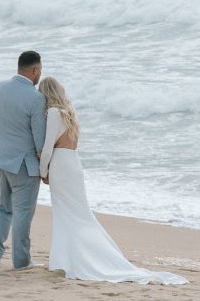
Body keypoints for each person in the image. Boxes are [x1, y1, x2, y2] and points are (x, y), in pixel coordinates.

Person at [37, 76, 186, 285]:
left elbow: (47, 148)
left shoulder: (53, 113)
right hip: (74, 164)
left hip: (61, 165)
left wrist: (43, 171)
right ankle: (74, 257)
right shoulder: (69, 114)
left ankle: (72, 260)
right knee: (80, 214)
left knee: (66, 214)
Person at [0, 50, 47, 269]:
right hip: (23, 166)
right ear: (35, 70)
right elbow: (39, 139)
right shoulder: (36, 98)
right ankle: (21, 261)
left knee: (2, 206)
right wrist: (44, 162)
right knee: (23, 213)